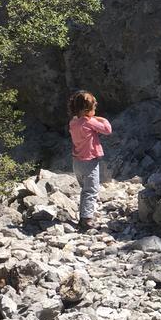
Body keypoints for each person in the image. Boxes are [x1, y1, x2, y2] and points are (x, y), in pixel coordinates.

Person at [68, 90, 112, 231]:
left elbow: (83, 120)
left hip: (77, 163)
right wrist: (101, 118)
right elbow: (107, 129)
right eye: (94, 108)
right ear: (87, 109)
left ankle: (83, 216)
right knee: (91, 190)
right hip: (90, 162)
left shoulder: (73, 122)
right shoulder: (90, 122)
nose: (96, 109)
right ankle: (86, 220)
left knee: (85, 190)